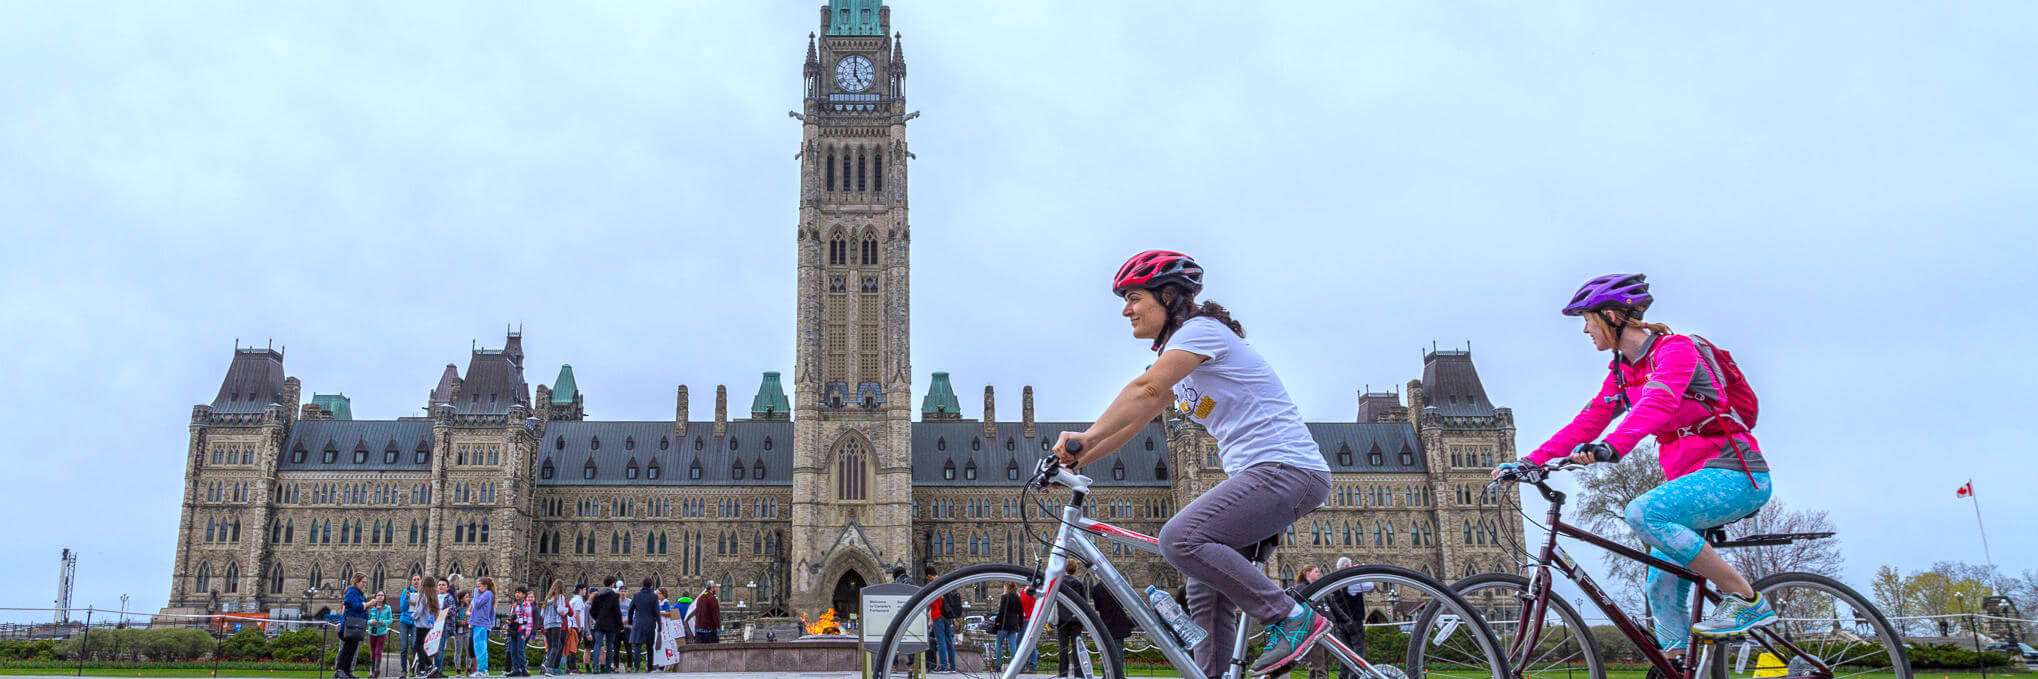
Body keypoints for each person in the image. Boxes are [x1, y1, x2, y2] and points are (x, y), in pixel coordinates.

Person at [1053, 250, 1333, 678]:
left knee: (1179, 538)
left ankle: (1290, 617)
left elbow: (1146, 389)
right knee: (1205, 590)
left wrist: (1085, 436)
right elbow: (1138, 420)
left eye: (1133, 297)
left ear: (1167, 296)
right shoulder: (1181, 362)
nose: (1126, 309)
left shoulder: (1203, 332)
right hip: (1263, 476)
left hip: (1285, 470)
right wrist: (1072, 462)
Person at [1501, 273, 1775, 658]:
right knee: (1659, 585)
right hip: (1690, 483)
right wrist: (1530, 461)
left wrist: (1612, 447)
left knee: (1643, 512)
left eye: (1587, 319)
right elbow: (1588, 421)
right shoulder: (1621, 372)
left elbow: (1658, 403)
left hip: (1735, 473)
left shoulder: (1676, 350)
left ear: (1611, 316)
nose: (1584, 329)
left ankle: (1746, 599)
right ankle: (1680, 663)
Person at [1090, 573, 1134, 679]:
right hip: (1119, 623)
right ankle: (1117, 676)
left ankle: (1108, 674)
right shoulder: (1115, 585)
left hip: (1106, 623)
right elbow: (1122, 603)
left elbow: (1097, 607)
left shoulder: (1096, 589)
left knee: (1106, 652)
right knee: (1118, 653)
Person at [1056, 562, 1093, 679]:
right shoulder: (1078, 583)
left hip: (1062, 619)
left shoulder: (1060, 583)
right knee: (1077, 647)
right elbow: (1084, 603)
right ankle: (1079, 673)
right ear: (1075, 570)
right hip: (1076, 619)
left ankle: (1063, 674)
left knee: (1063, 648)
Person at [925, 566, 959, 672]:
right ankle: (953, 666)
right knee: (949, 641)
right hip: (947, 615)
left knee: (941, 642)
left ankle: (943, 666)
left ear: (929, 575)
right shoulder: (944, 581)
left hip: (937, 615)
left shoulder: (933, 584)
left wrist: (930, 618)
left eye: (927, 577)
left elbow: (934, 603)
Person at [337, 574, 370, 679]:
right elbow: (355, 606)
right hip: (350, 624)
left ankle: (347, 671)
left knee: (352, 649)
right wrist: (368, 604)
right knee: (346, 648)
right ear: (356, 582)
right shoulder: (351, 591)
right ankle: (339, 670)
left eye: (365, 582)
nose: (365, 584)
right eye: (363, 582)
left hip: (358, 625)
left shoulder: (361, 594)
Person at [590, 578, 623, 673]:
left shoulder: (597, 595)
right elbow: (617, 612)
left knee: (597, 645)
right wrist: (620, 625)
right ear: (612, 584)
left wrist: (598, 618)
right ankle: (608, 668)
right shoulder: (614, 596)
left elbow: (592, 611)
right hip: (611, 624)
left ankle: (595, 667)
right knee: (610, 646)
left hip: (599, 623)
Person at [416, 577, 446, 679]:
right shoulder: (434, 596)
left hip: (421, 625)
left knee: (418, 646)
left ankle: (422, 669)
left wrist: (413, 617)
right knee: (422, 647)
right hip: (429, 625)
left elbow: (419, 611)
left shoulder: (423, 596)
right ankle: (430, 666)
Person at [628, 578, 659, 672]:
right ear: (651, 585)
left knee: (637, 646)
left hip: (638, 624)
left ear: (642, 584)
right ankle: (649, 668)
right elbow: (656, 612)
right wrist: (660, 626)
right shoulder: (654, 596)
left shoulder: (636, 595)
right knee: (650, 647)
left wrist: (631, 622)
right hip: (650, 624)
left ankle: (636, 668)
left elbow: (630, 610)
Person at [470, 578, 496, 678]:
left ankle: (482, 670)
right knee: (478, 647)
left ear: (485, 586)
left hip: (481, 624)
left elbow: (476, 604)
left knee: (480, 648)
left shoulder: (488, 594)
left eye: (479, 586)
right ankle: (482, 670)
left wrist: (475, 593)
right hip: (478, 623)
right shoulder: (485, 594)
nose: (477, 588)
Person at [995, 583, 1024, 670]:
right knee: (1013, 645)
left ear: (1007, 587)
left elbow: (1001, 612)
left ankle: (998, 665)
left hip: (1004, 624)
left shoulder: (1004, 597)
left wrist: (997, 621)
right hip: (1013, 624)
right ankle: (1015, 665)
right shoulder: (1018, 598)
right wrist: (1020, 624)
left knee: (998, 644)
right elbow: (1021, 613)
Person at [541, 581, 567, 677]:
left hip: (547, 625)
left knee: (553, 646)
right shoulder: (560, 597)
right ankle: (548, 666)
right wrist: (566, 610)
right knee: (556, 646)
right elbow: (561, 610)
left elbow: (542, 614)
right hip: (556, 624)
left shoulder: (547, 599)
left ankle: (547, 664)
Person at [508, 586, 535, 677]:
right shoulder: (514, 605)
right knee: (513, 650)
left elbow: (530, 618)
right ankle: (516, 669)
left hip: (522, 630)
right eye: (516, 592)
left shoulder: (527, 605)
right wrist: (510, 621)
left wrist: (528, 630)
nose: (517, 594)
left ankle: (523, 669)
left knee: (520, 650)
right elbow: (511, 617)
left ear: (524, 595)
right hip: (514, 630)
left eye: (519, 592)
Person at [368, 593, 395, 679]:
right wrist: (370, 622)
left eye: (382, 595)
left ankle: (376, 670)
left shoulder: (388, 608)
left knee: (378, 651)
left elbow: (391, 619)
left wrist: (384, 622)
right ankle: (372, 672)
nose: (380, 596)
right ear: (375, 597)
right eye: (378, 595)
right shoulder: (372, 607)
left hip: (382, 632)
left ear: (384, 598)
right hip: (372, 632)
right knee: (372, 652)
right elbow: (367, 620)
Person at [400, 576, 422, 678]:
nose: (416, 581)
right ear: (411, 581)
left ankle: (413, 668)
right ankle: (403, 670)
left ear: (420, 581)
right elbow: (402, 607)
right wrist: (407, 598)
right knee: (404, 647)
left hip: (415, 622)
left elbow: (424, 608)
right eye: (414, 579)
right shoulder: (406, 591)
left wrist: (416, 603)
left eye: (418, 579)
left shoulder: (422, 593)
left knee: (414, 646)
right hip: (404, 621)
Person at [567, 585, 589, 674]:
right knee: (574, 648)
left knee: (571, 647)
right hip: (575, 627)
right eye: (584, 589)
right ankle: (573, 668)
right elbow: (576, 615)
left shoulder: (573, 599)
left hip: (571, 626)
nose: (585, 591)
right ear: (580, 590)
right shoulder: (579, 600)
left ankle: (570, 667)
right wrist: (580, 627)